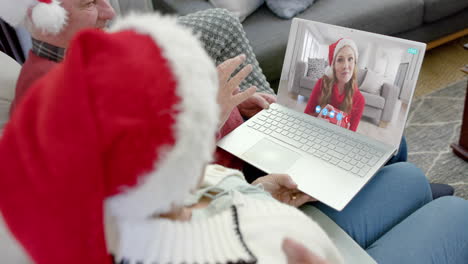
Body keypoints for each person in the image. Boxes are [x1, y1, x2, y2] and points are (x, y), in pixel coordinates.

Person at [1, 15, 467, 264]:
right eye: (87, 3)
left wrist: (254, 192)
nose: (107, 11)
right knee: (453, 210)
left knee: (403, 170)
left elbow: (179, 199)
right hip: (266, 228)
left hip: (246, 200)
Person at [304, 38, 364, 132]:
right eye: (340, 60)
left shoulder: (359, 100)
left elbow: (351, 137)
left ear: (355, 63)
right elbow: (306, 117)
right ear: (333, 65)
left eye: (350, 59)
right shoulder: (322, 83)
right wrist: (316, 122)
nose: (346, 65)